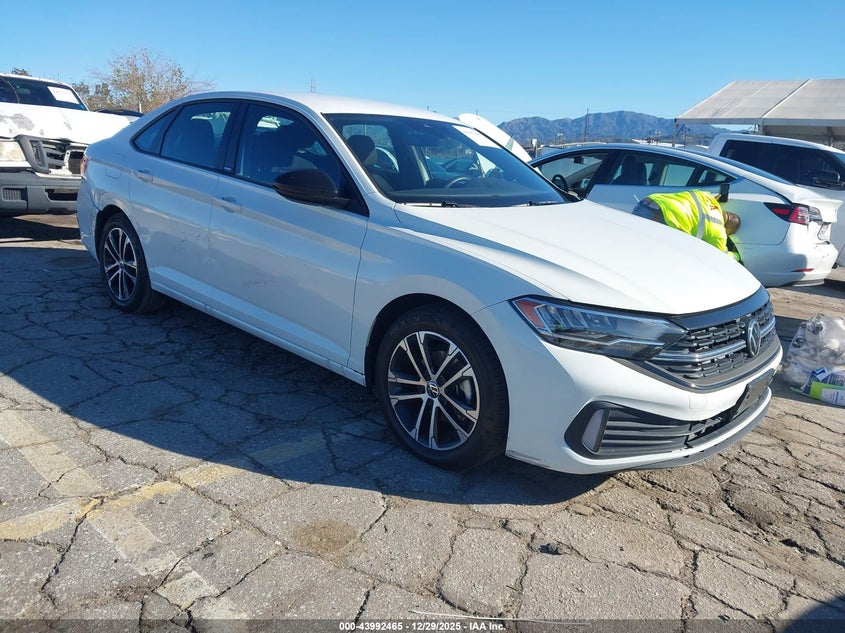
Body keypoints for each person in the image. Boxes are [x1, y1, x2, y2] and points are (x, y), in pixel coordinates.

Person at [633, 190, 742, 261]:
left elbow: (707, 201)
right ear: (727, 228)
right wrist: (737, 256)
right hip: (662, 217)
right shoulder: (718, 231)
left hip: (647, 202)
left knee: (633, 244)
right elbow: (721, 256)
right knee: (647, 256)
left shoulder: (707, 197)